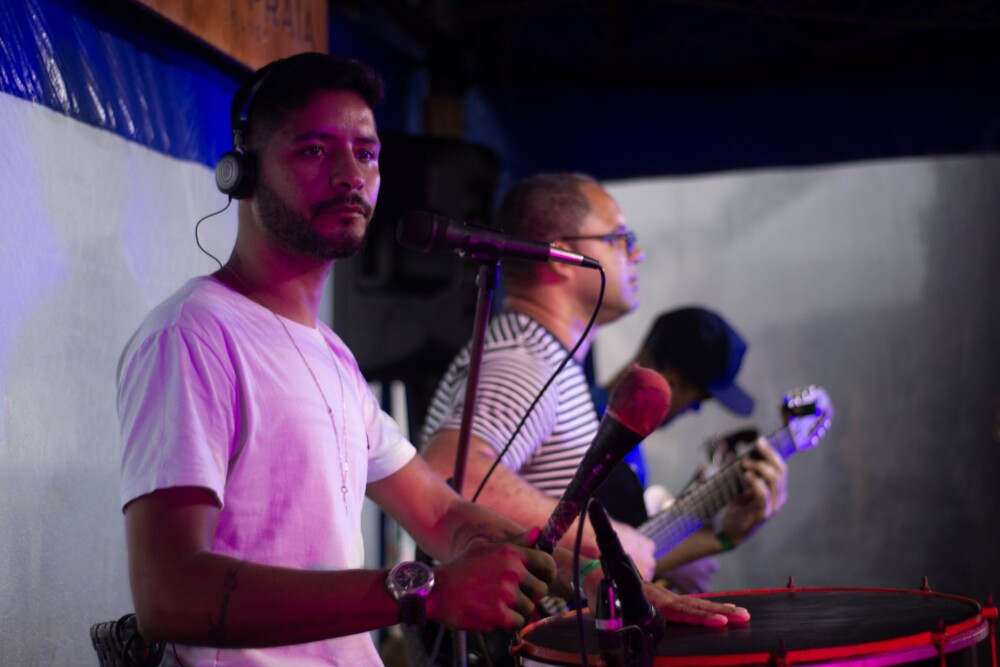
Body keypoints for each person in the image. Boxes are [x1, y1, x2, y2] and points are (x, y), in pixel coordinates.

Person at [117, 54, 749, 667]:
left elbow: (441, 511)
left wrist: (590, 574)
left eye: (366, 153)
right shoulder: (194, 335)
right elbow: (168, 595)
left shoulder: (330, 355)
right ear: (242, 172)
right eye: (313, 150)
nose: (350, 175)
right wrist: (425, 590)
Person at [419, 175, 787, 587]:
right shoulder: (524, 361)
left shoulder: (547, 361)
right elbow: (447, 476)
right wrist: (597, 539)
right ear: (563, 256)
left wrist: (718, 536)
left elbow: (573, 561)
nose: (638, 254)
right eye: (620, 239)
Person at [593, 306, 784, 593]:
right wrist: (695, 550)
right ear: (670, 379)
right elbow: (600, 567)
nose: (694, 410)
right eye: (699, 398)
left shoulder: (616, 438)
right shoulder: (598, 444)